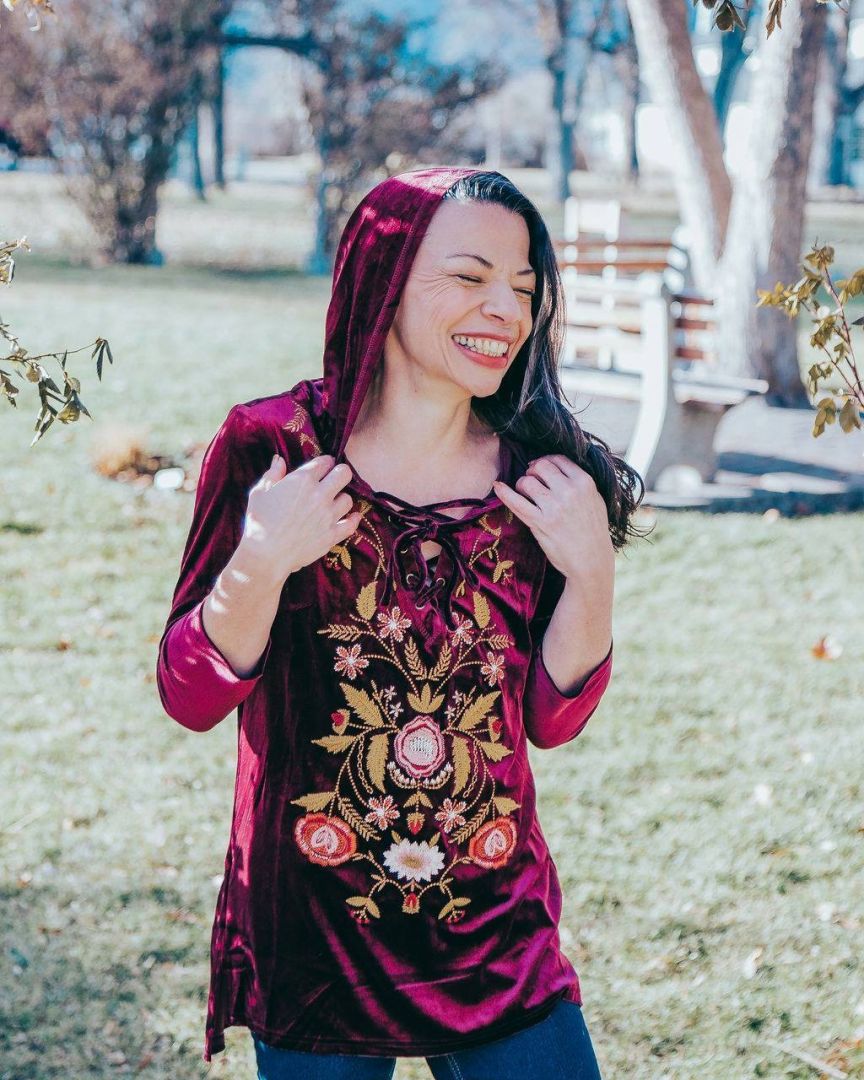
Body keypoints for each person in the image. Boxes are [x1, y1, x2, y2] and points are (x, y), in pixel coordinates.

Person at [156, 166, 645, 1079]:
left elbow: (551, 721)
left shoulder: (539, 476)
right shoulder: (276, 449)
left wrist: (593, 573)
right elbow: (188, 696)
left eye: (524, 288)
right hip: (316, 934)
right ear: (382, 280)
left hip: (495, 931)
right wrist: (261, 559)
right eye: (469, 277)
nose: (505, 309)